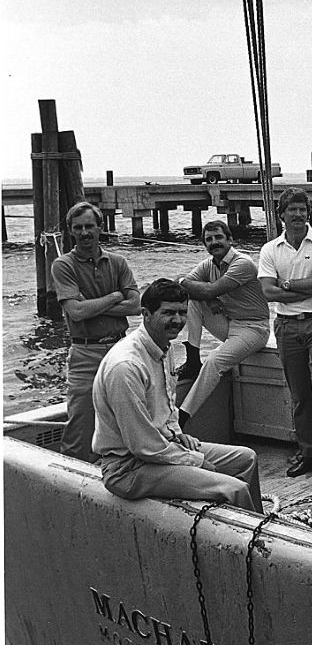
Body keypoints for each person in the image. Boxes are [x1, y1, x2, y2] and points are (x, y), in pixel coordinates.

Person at [92, 279, 263, 511]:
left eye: (183, 312)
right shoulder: (126, 367)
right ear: (146, 314)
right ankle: (256, 543)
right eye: (169, 313)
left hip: (159, 448)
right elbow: (142, 445)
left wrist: (178, 435)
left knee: (247, 459)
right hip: (128, 468)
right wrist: (197, 461)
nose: (178, 320)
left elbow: (167, 406)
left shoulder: (164, 346)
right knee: (235, 489)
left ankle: (261, 526)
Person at [258, 189, 312, 477]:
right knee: (300, 395)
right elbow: (268, 292)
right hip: (286, 327)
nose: (297, 214)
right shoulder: (270, 250)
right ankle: (309, 453)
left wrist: (289, 286)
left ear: (309, 213)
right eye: (291, 210)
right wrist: (305, 285)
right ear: (281, 215)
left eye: (302, 209)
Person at [51, 201, 140, 462]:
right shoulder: (63, 265)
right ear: (71, 231)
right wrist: (114, 296)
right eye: (78, 228)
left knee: (128, 415)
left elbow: (135, 306)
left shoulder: (118, 262)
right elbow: (76, 313)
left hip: (120, 349)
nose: (85, 232)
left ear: (100, 227)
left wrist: (90, 304)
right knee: (80, 421)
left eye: (90, 226)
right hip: (85, 353)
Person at [176, 220, 271, 425]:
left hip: (254, 328)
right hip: (229, 323)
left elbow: (209, 289)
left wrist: (201, 290)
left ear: (230, 239)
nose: (214, 242)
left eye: (219, 237)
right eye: (209, 239)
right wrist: (196, 289)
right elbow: (183, 287)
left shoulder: (242, 263)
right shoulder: (209, 264)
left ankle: (182, 416)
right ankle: (192, 358)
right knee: (194, 300)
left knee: (213, 361)